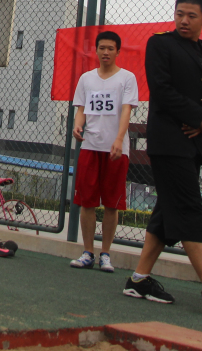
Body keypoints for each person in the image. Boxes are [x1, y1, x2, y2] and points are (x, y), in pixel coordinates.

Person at [123, 0, 202, 313]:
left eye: (191, 16)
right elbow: (161, 91)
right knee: (190, 208)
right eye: (179, 14)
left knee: (166, 213)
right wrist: (197, 116)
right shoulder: (160, 44)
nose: (184, 21)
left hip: (191, 143)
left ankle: (138, 279)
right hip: (167, 142)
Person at [69, 30, 138, 273]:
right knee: (86, 201)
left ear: (118, 51)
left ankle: (105, 254)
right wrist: (78, 125)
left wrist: (119, 139)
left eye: (110, 48)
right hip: (90, 146)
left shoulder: (127, 78)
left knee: (111, 203)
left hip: (116, 150)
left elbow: (127, 110)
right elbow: (81, 109)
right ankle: (87, 252)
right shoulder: (86, 79)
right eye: (102, 48)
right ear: (96, 50)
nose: (106, 52)